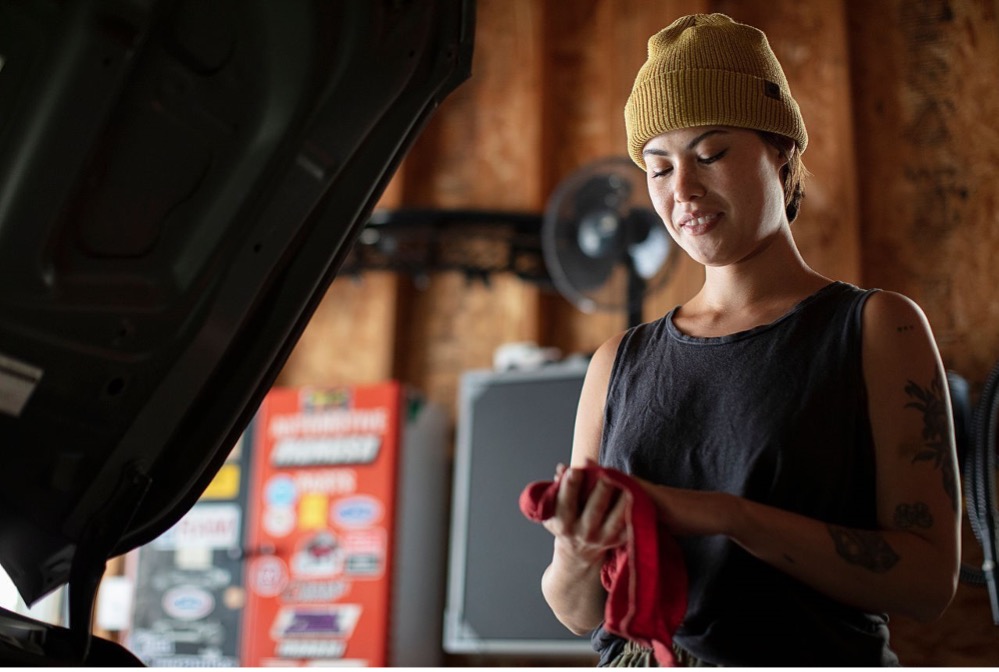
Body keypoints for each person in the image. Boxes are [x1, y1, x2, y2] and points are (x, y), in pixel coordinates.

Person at [539, 13, 960, 667]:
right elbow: (577, 612)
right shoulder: (615, 363)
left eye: (710, 154)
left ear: (781, 153)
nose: (682, 189)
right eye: (657, 168)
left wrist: (725, 516)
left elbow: (926, 582)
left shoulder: (875, 327)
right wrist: (574, 546)